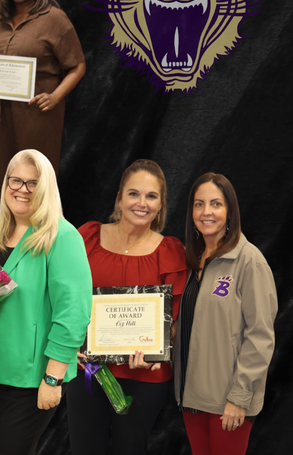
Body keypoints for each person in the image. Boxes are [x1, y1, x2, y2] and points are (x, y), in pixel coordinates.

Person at [65, 159, 187, 455]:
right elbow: (65, 299)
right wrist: (70, 342)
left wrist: (157, 351)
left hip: (144, 376)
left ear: (161, 205)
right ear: (119, 198)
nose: (141, 203)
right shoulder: (87, 238)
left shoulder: (170, 252)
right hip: (87, 369)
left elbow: (174, 322)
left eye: (151, 196)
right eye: (133, 194)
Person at [0, 149, 91, 455]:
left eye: (32, 183)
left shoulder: (62, 236)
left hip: (34, 377)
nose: (22, 190)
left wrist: (53, 377)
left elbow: (74, 313)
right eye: (16, 181)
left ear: (46, 188)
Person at [0, 0, 86, 213]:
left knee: (34, 179)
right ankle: (6, 240)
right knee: (2, 178)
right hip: (1, 115)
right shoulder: (1, 20)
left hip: (37, 113)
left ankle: (38, 241)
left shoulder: (54, 18)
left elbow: (78, 65)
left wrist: (55, 96)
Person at [175, 173, 277, 455]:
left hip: (228, 401)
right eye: (199, 204)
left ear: (230, 211)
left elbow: (261, 336)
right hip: (193, 394)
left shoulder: (249, 261)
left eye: (216, 204)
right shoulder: (191, 260)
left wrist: (240, 397)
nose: (206, 212)